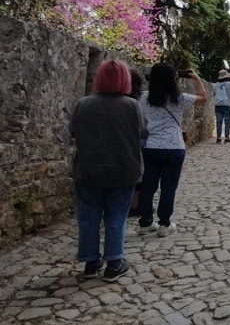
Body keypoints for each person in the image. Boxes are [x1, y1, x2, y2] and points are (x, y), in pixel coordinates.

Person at [69, 59, 145, 282]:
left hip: (88, 170)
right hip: (123, 170)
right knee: (116, 217)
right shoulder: (132, 106)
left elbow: (72, 131)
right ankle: (114, 263)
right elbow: (143, 132)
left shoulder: (83, 104)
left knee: (88, 217)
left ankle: (91, 262)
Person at [137, 63, 207, 237]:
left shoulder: (143, 98)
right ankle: (164, 224)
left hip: (150, 147)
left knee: (148, 186)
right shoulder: (178, 98)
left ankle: (145, 223)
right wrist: (196, 78)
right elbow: (203, 97)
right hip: (173, 148)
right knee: (168, 187)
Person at [127, 69, 146, 217]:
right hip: (136, 144)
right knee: (139, 176)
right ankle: (136, 204)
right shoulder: (139, 100)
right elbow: (143, 127)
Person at [214, 69, 230, 143]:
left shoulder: (216, 85)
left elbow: (214, 93)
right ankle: (227, 137)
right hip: (227, 105)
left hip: (218, 105)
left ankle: (218, 137)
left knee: (219, 122)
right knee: (227, 122)